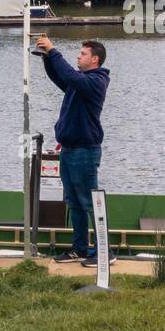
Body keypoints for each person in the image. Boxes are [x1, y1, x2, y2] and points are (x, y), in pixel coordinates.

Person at [36, 36, 111, 264]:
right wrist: (47, 58)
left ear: (95, 59)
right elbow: (61, 77)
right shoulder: (79, 83)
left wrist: (54, 50)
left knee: (89, 202)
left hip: (85, 152)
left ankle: (104, 253)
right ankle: (79, 248)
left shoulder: (96, 82)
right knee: (74, 203)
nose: (78, 56)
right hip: (69, 151)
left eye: (82, 54)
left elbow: (69, 76)